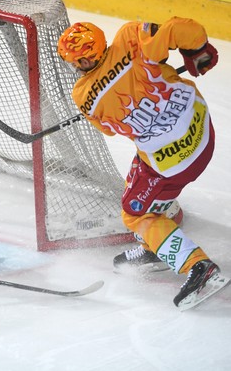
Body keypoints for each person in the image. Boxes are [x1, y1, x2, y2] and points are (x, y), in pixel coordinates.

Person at [57, 18, 225, 308]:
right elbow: (179, 28)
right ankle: (157, 247)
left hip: (173, 162)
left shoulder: (83, 95)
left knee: (135, 214)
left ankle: (198, 267)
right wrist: (197, 50)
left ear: (80, 60)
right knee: (137, 182)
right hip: (202, 132)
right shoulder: (130, 38)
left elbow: (108, 129)